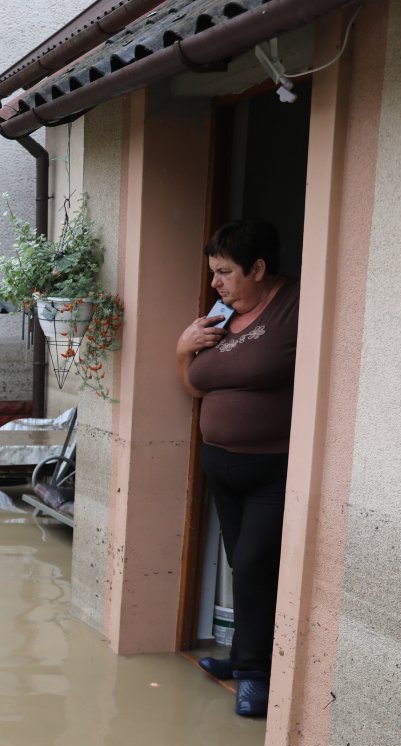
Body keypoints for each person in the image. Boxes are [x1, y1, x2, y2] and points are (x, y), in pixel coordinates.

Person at [175, 219, 299, 718]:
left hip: (273, 466)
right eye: (213, 272)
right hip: (221, 465)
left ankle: (254, 675)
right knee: (242, 566)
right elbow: (197, 386)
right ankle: (243, 658)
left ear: (259, 268)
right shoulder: (221, 316)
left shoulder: (296, 306)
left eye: (225, 272)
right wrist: (183, 349)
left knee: (253, 565)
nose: (215, 284)